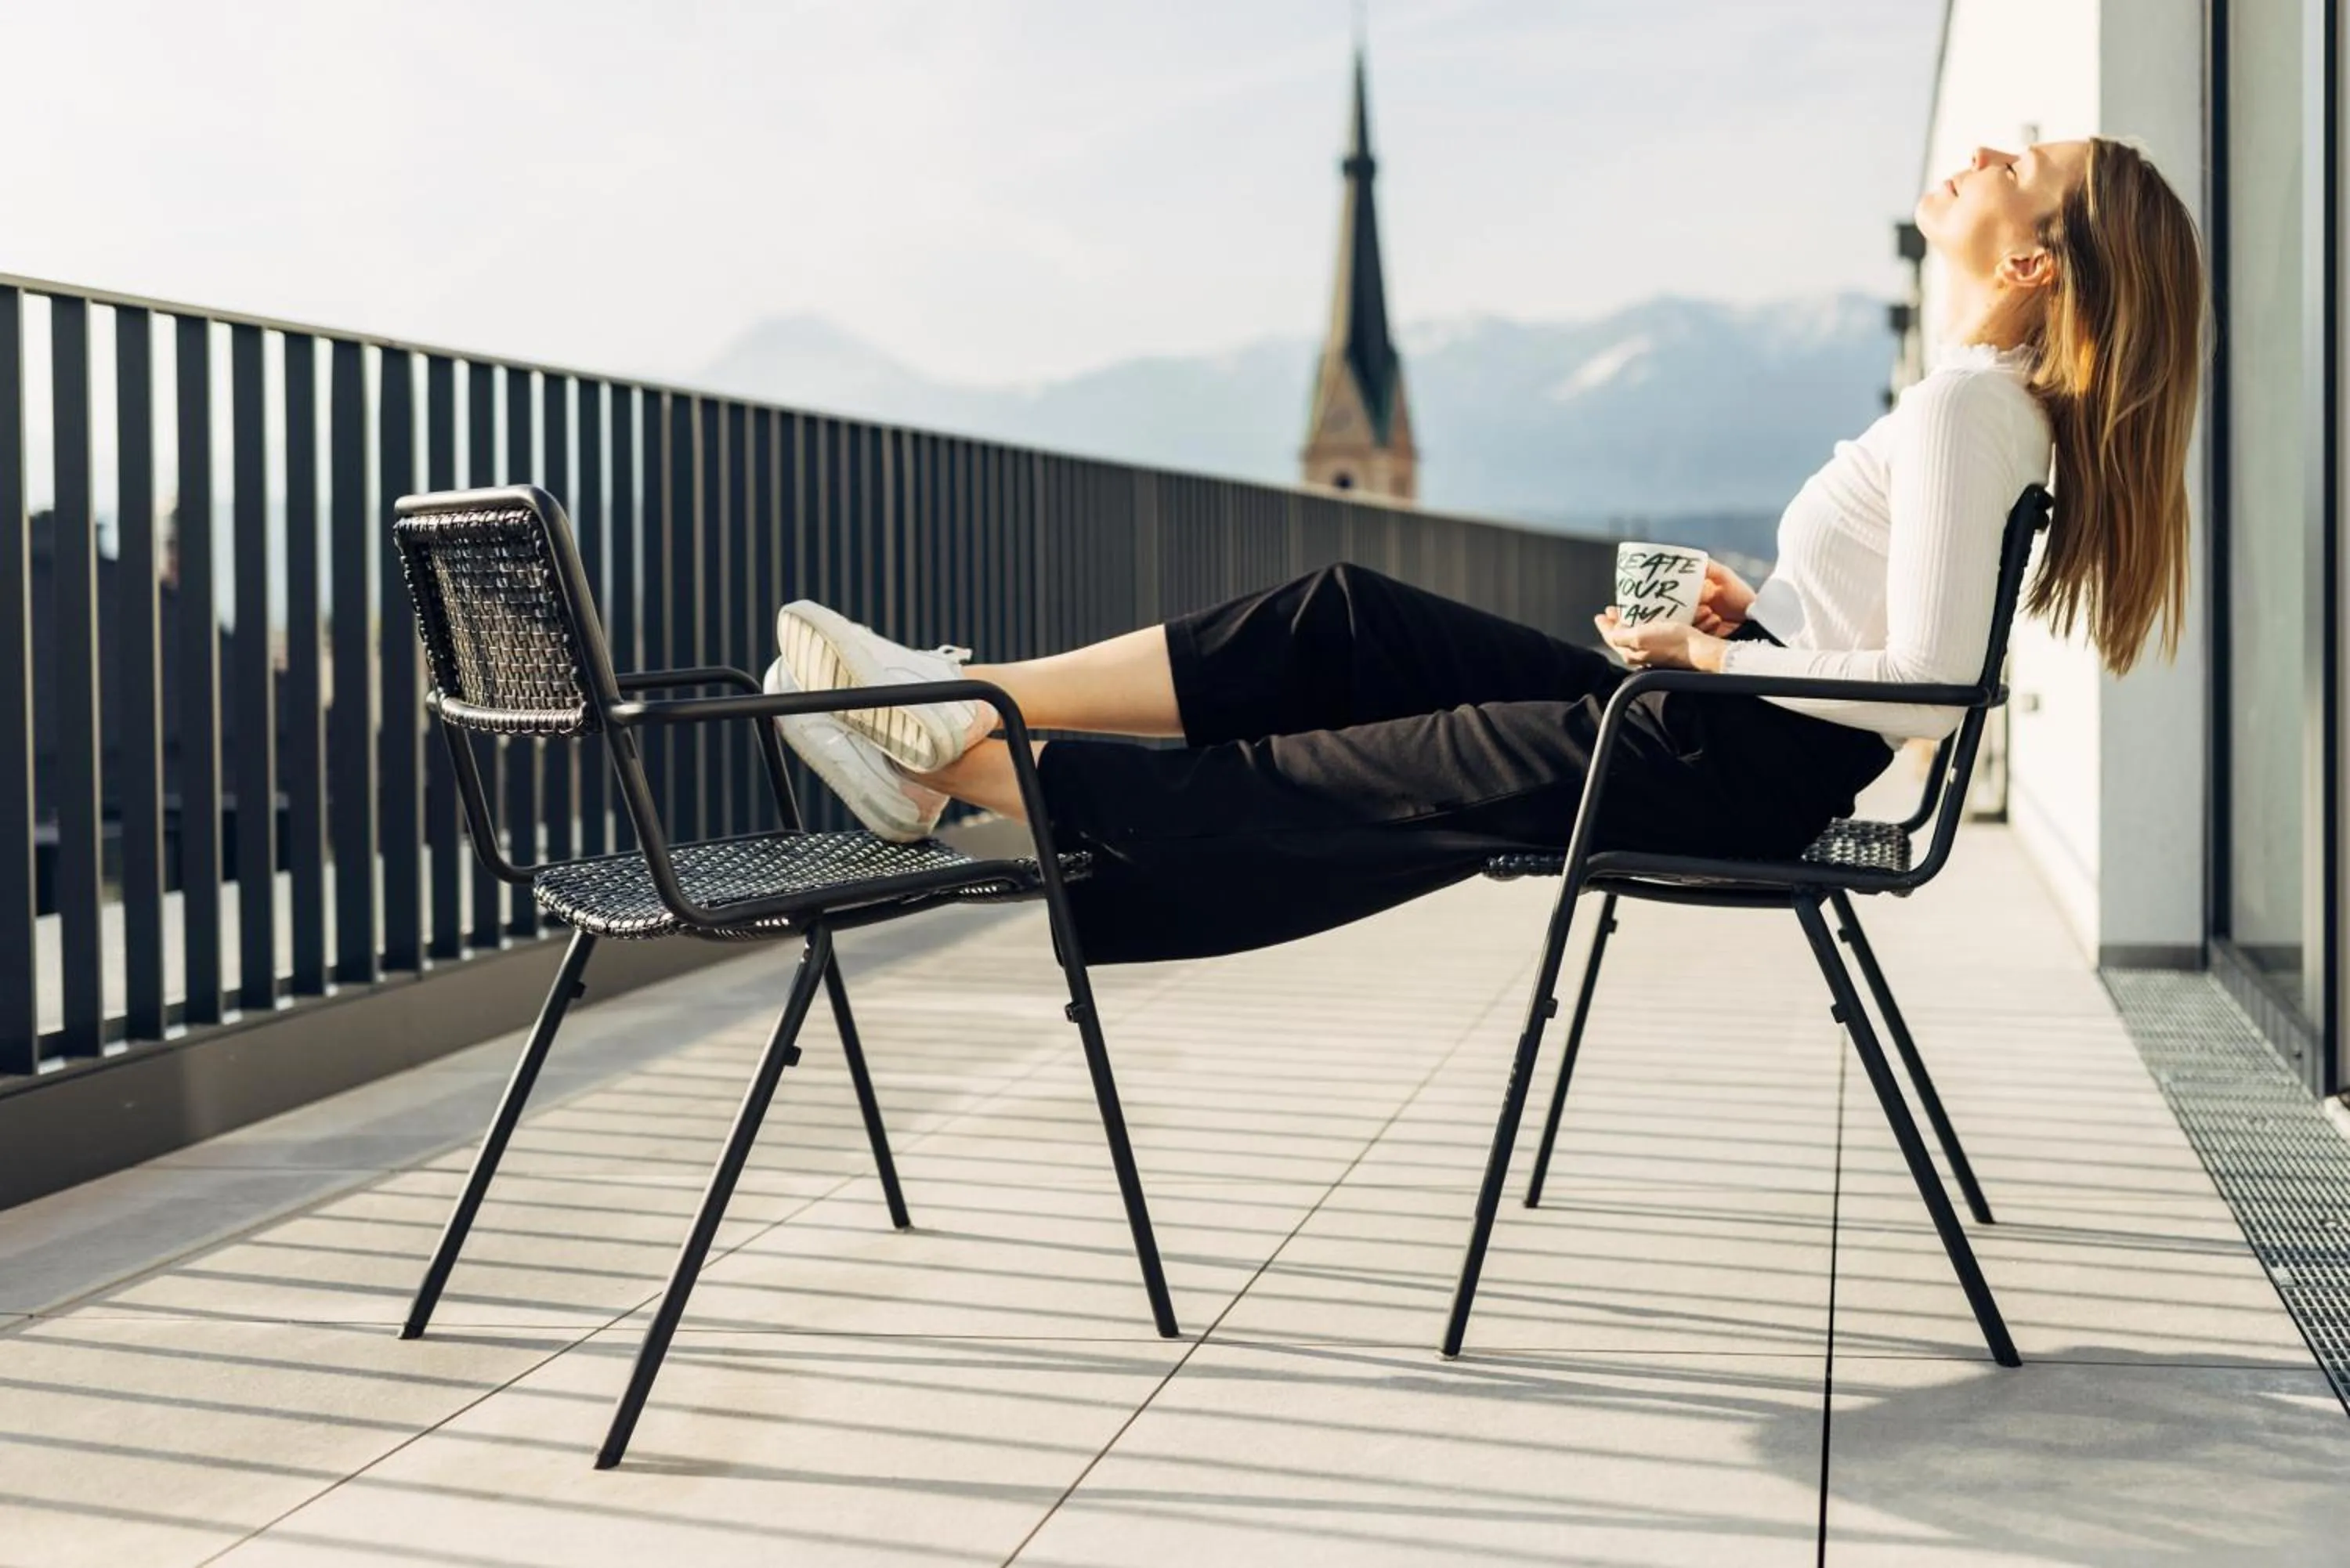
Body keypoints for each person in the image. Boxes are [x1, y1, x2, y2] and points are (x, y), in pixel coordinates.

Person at [760, 137, 2205, 966]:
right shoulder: (1987, 409)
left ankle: (951, 762)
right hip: (1724, 723)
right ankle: (959, 692)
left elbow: (1917, 692)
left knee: (1357, 769)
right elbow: (1892, 638)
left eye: (2025, 165)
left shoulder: (1970, 405)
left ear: (2032, 263)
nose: (1988, 156)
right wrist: (1755, 610)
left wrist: (1711, 654)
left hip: (1718, 758)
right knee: (1346, 622)